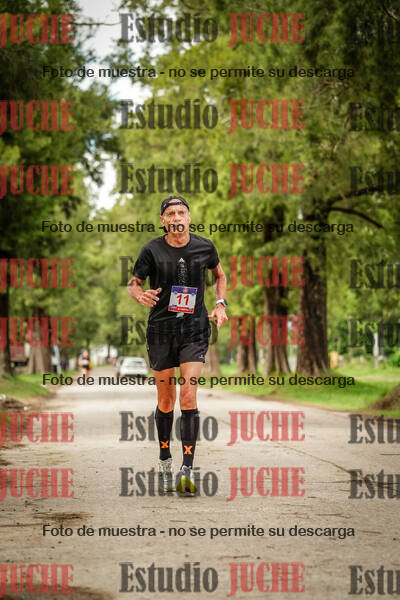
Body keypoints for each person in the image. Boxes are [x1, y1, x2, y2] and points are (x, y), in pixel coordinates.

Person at [127, 195, 228, 495]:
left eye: (181, 212)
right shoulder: (151, 250)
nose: (176, 217)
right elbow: (133, 283)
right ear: (162, 220)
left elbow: (220, 276)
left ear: (189, 217)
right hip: (161, 330)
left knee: (187, 394)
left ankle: (188, 468)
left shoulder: (205, 247)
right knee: (166, 400)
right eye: (170, 213)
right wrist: (140, 295)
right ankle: (164, 460)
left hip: (194, 330)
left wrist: (220, 303)